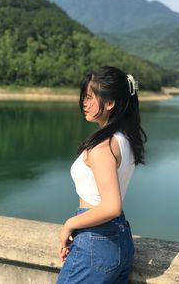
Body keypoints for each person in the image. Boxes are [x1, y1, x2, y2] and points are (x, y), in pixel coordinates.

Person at [56, 66, 147, 283]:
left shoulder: (102, 147)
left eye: (89, 97)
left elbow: (111, 206)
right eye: (84, 97)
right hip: (120, 240)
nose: (84, 104)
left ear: (109, 103)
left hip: (96, 241)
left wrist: (69, 224)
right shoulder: (125, 138)